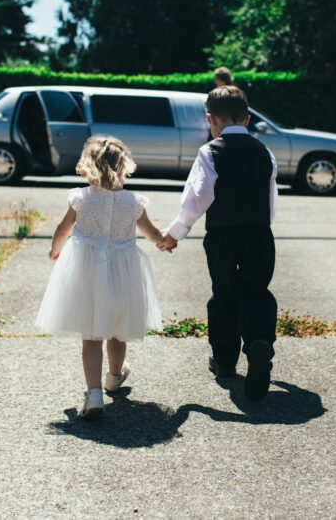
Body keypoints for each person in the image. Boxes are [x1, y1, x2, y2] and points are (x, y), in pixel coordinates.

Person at [157, 86, 278, 401]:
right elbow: (270, 197)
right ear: (248, 118)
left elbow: (198, 197)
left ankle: (225, 361)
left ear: (211, 120)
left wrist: (175, 232)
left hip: (223, 234)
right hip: (258, 232)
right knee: (256, 291)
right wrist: (262, 224)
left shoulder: (210, 151)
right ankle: (258, 343)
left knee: (224, 295)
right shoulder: (265, 152)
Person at [35, 135, 164, 419]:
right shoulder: (132, 202)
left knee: (91, 336)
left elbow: (62, 229)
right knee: (118, 329)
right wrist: (165, 241)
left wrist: (55, 251)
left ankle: (94, 395)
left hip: (87, 272)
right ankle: (114, 376)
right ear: (122, 167)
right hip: (122, 272)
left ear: (88, 166)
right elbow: (152, 232)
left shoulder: (81, 198)